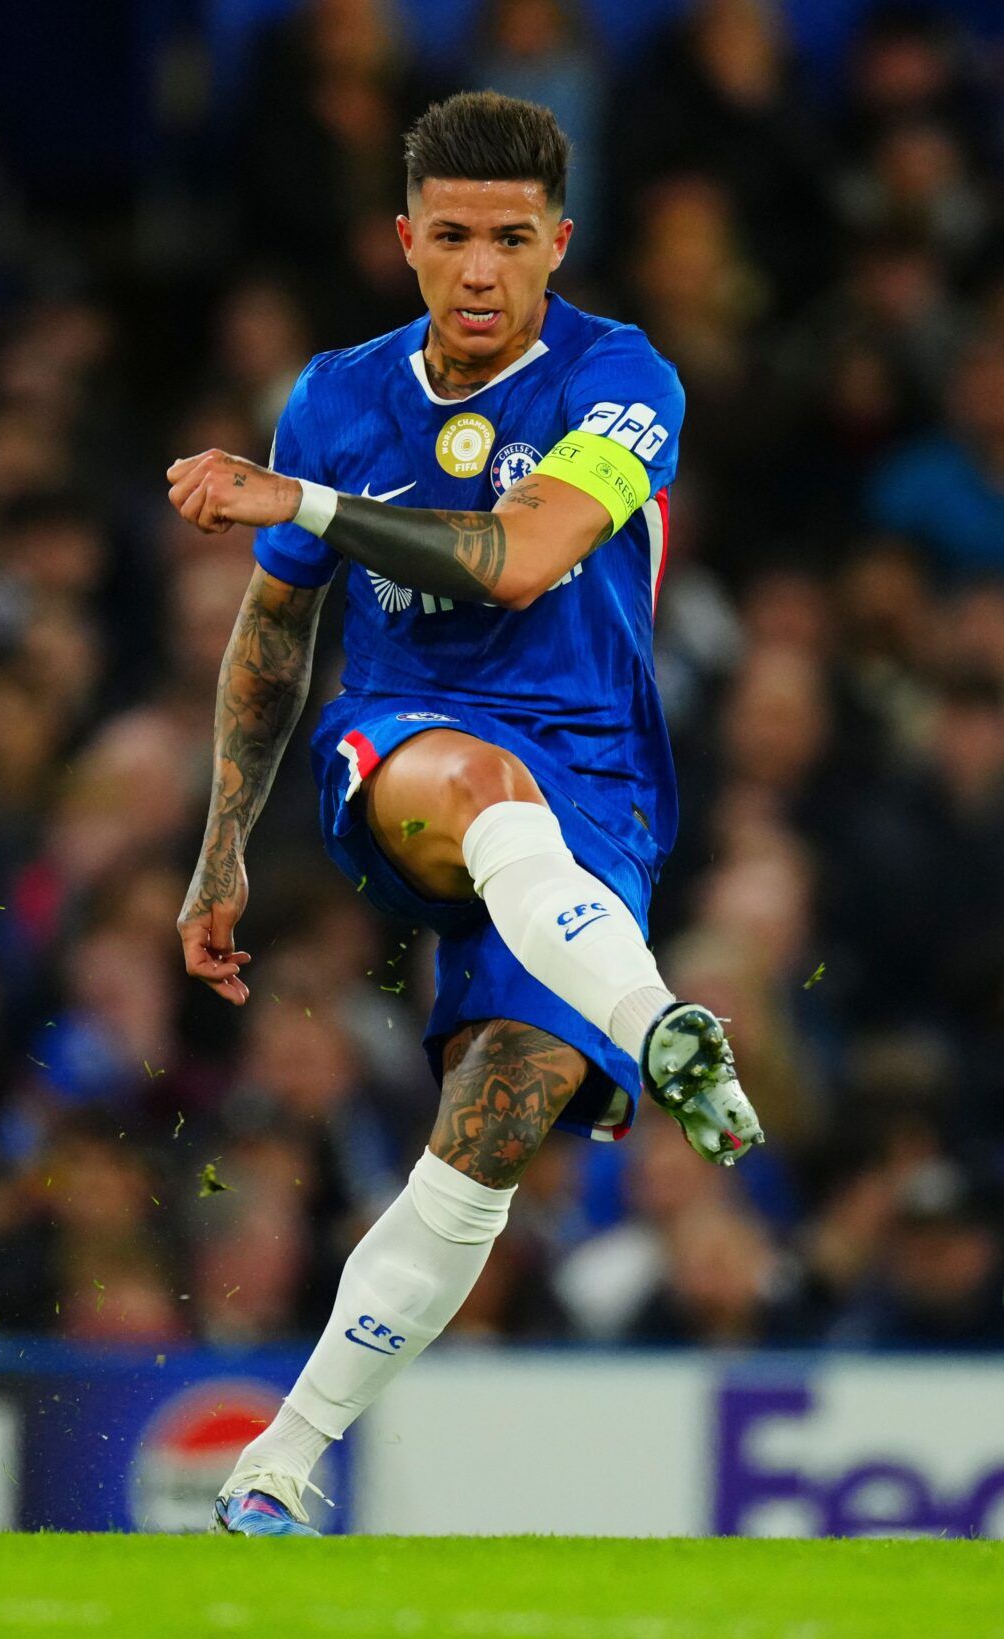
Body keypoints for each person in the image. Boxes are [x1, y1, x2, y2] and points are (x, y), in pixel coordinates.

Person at [161, 91, 763, 1536]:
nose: (479, 270)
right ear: (405, 242)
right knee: (480, 782)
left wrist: (301, 502)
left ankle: (276, 1463)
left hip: (596, 783)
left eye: (508, 238)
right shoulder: (339, 397)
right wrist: (221, 844)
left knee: (494, 1124)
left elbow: (520, 557)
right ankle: (661, 1024)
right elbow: (276, 632)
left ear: (559, 242)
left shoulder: (625, 382)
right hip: (407, 740)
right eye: (450, 238)